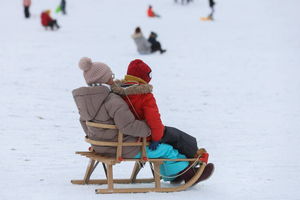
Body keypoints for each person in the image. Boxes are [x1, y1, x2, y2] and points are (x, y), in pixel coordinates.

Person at [72, 57, 212, 183]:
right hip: (122, 148)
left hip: (100, 146)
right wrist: (148, 130)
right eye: (110, 76)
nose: (113, 79)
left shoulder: (85, 101)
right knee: (167, 150)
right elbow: (128, 125)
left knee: (167, 143)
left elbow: (83, 122)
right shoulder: (112, 100)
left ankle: (177, 174)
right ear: (103, 79)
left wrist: (98, 139)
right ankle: (187, 175)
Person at [111, 59, 205, 158]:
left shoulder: (117, 92)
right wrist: (156, 138)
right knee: (176, 137)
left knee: (171, 134)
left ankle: (190, 159)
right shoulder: (144, 95)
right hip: (144, 135)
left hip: (126, 135)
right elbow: (154, 119)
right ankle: (195, 158)